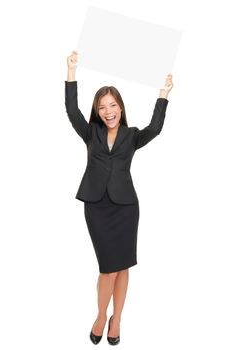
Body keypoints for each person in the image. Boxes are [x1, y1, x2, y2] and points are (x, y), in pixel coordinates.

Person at [65, 50, 173, 345]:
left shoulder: (132, 136)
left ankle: (117, 319)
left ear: (121, 108)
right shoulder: (91, 133)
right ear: (98, 111)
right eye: (102, 107)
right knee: (107, 268)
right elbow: (72, 111)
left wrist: (163, 94)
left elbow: (156, 128)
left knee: (123, 265)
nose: (108, 111)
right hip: (97, 206)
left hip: (126, 208)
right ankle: (101, 315)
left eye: (113, 105)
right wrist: (71, 72)